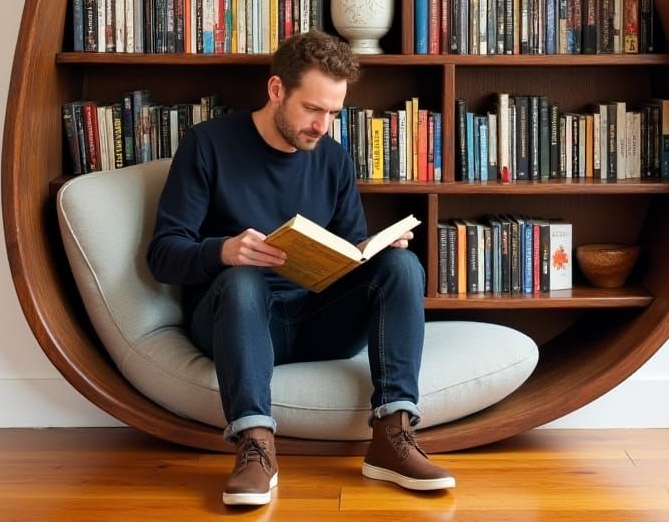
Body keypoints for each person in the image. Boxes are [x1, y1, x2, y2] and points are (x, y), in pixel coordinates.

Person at [147, 29, 455, 506]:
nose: (322, 126)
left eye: (333, 113)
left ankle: (391, 435)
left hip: (316, 320)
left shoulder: (333, 159)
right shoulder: (207, 144)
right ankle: (255, 447)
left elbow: (350, 253)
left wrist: (374, 250)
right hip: (237, 321)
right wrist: (223, 251)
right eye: (313, 109)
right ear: (277, 89)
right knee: (243, 280)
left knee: (402, 265)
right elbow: (163, 255)